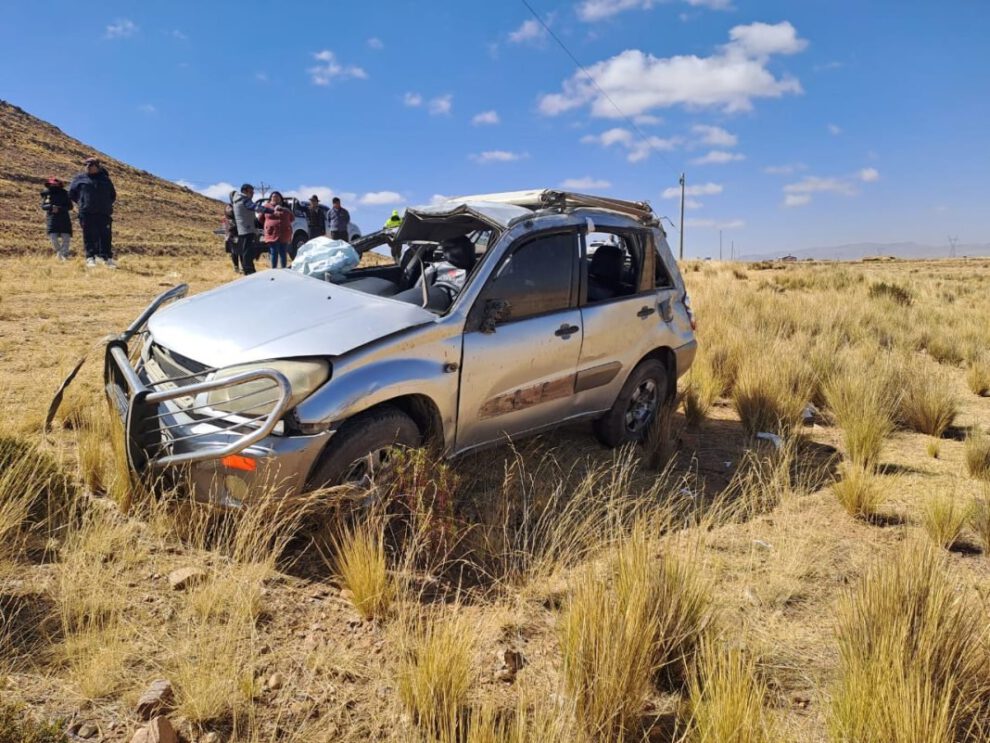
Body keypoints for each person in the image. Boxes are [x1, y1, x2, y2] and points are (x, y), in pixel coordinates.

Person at [68, 157, 117, 268]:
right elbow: (71, 193)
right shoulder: (79, 179)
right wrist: (82, 202)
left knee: (106, 236)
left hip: (103, 213)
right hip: (87, 213)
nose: (88, 167)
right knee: (89, 235)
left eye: (91, 165)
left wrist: (106, 204)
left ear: (97, 166)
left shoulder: (105, 179)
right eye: (86, 165)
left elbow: (112, 195)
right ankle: (90, 258)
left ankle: (107, 258)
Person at [230, 183, 263, 275]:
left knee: (246, 250)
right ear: (245, 191)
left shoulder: (238, 200)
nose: (252, 193)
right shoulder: (244, 200)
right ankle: (249, 271)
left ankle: (248, 269)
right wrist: (269, 210)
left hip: (245, 228)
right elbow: (255, 208)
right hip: (246, 229)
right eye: (251, 191)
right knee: (247, 251)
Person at [40, 176, 73, 261]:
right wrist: (51, 207)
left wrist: (59, 208)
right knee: (53, 239)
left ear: (59, 184)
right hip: (52, 219)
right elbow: (43, 206)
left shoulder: (65, 194)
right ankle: (61, 254)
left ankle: (63, 256)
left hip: (64, 219)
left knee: (66, 239)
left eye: (55, 184)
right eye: (52, 184)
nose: (54, 185)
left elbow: (70, 206)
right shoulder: (47, 194)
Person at [258, 191, 293, 269]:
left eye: (277, 197)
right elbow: (260, 219)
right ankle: (274, 270)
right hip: (272, 233)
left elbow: (292, 218)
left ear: (281, 198)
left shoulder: (286, 207)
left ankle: (284, 269)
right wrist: (269, 224)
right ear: (271, 198)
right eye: (273, 196)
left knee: (283, 252)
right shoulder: (266, 207)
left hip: (284, 233)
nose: (275, 198)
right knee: (274, 252)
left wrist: (285, 222)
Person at [223, 191, 240, 272]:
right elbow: (231, 214)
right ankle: (236, 267)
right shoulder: (229, 207)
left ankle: (244, 266)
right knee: (234, 250)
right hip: (232, 231)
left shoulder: (239, 205)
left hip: (240, 230)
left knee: (242, 250)